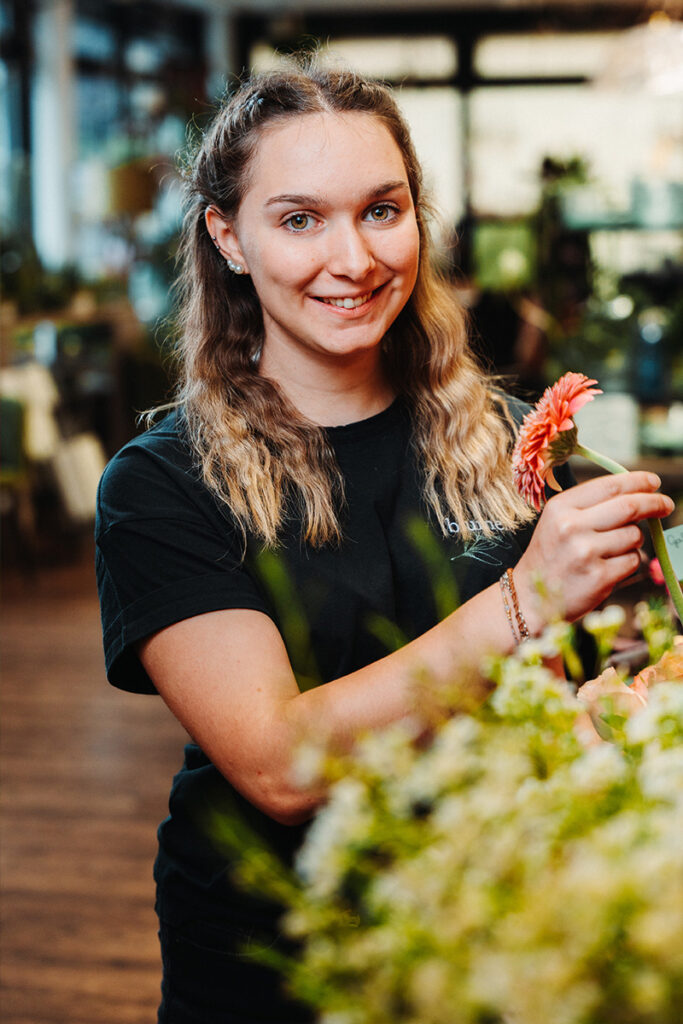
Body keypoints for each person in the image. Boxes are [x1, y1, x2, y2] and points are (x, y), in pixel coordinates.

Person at [95, 61, 674, 1024]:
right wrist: (526, 598)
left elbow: (615, 668)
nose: (354, 258)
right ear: (227, 238)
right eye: (298, 219)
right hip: (282, 958)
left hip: (511, 945)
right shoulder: (159, 486)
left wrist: (632, 638)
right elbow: (279, 766)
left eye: (380, 210)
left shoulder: (516, 438)